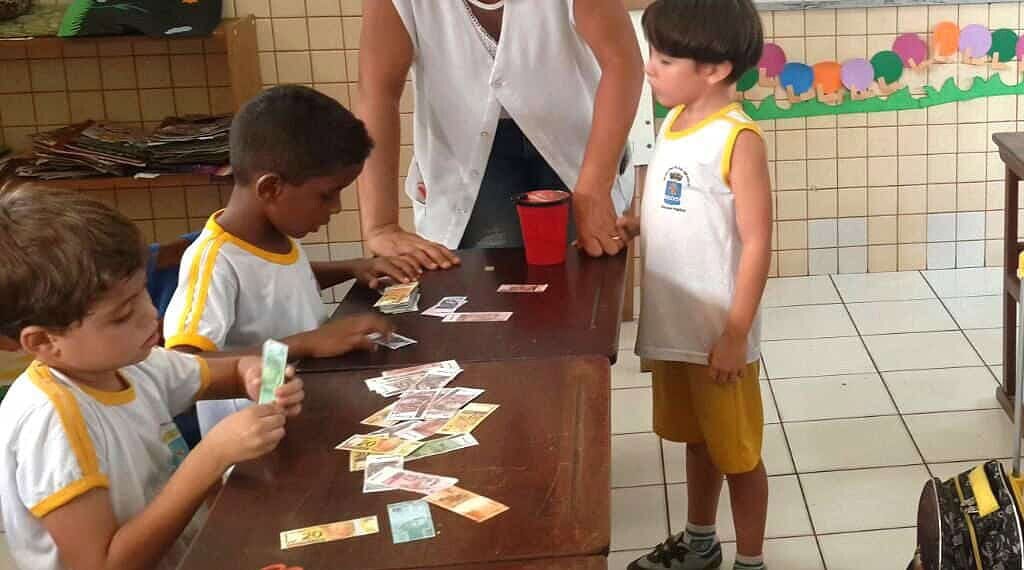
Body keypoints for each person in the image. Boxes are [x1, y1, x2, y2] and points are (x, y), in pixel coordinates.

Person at [0, 186, 305, 570]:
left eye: (143, 293)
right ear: (44, 341)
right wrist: (211, 457)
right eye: (123, 314)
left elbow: (234, 371)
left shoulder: (133, 362)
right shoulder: (51, 424)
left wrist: (260, 375)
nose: (151, 315)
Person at [163, 85, 415, 434]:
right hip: (254, 448)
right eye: (327, 195)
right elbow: (181, 367)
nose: (336, 208)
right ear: (270, 189)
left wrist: (350, 268)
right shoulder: (212, 260)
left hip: (305, 415)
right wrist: (305, 343)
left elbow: (274, 281)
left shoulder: (272, 236)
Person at [619, 1, 772, 569]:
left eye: (663, 58)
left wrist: (735, 333)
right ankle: (700, 542)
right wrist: (637, 222)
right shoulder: (673, 119)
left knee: (738, 455)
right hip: (676, 330)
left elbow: (756, 242)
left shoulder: (738, 138)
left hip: (717, 337)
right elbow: (677, 201)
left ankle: (750, 562)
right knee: (698, 441)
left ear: (715, 68)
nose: (649, 68)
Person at [356, 0, 644, 268]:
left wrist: (595, 186)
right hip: (464, 152)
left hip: (579, 143)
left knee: (585, 272)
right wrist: (382, 226)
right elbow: (377, 93)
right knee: (481, 283)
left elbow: (622, 62)